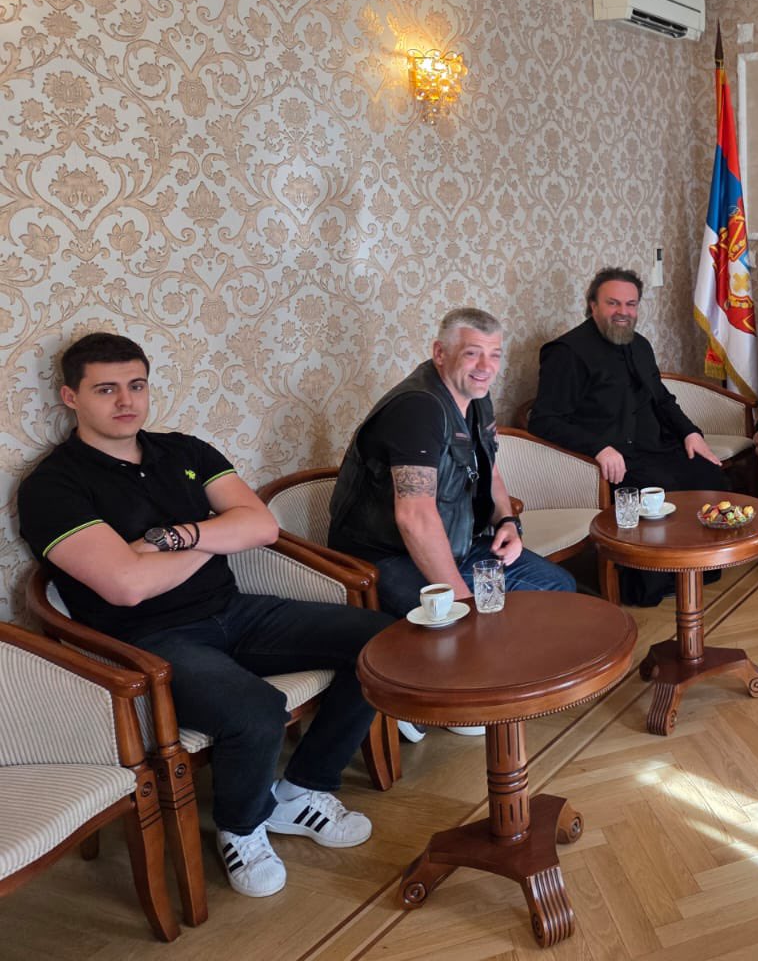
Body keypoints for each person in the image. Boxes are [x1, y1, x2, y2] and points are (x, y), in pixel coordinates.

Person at [17, 333, 390, 899]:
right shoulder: (53, 486)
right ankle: (241, 827)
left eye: (137, 385)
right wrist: (216, 536)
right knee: (256, 712)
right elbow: (126, 587)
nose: (126, 401)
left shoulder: (184, 452)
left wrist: (170, 539)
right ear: (71, 397)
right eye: (106, 389)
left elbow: (261, 526)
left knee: (383, 645)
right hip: (145, 640)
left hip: (232, 611)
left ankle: (301, 790)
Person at [328, 307, 576, 623]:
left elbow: (490, 470)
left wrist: (508, 522)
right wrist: (462, 599)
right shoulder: (418, 409)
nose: (486, 367)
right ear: (440, 353)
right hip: (387, 558)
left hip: (459, 542)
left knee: (557, 587)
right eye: (472, 353)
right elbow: (414, 517)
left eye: (494, 355)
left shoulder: (477, 397)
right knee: (461, 627)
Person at [528, 268, 723, 605]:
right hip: (613, 458)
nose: (623, 311)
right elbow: (543, 420)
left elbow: (662, 400)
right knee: (658, 490)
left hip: (654, 447)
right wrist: (598, 448)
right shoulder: (567, 352)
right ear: (593, 305)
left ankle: (696, 568)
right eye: (613, 303)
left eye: (631, 304)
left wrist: (691, 433)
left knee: (709, 475)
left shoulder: (640, 344)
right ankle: (647, 584)